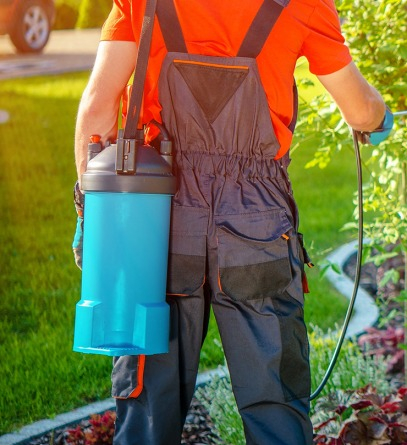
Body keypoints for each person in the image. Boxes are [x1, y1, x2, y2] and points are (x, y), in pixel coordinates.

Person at [71, 0, 390, 443]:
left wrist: (92, 213)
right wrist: (380, 116)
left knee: (148, 408)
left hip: (158, 216)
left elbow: (97, 109)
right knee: (275, 401)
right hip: (255, 218)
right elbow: (360, 112)